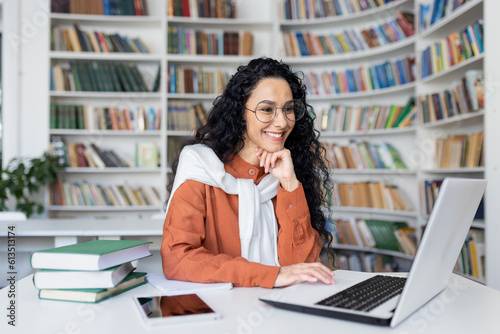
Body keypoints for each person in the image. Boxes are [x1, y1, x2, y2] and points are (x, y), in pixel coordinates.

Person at [161, 57, 335, 288]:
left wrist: (290, 184)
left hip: (275, 309)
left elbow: (299, 266)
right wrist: (268, 275)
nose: (282, 122)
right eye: (266, 109)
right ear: (240, 113)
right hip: (210, 311)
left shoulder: (288, 169)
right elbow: (178, 259)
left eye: (289, 109)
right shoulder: (201, 166)